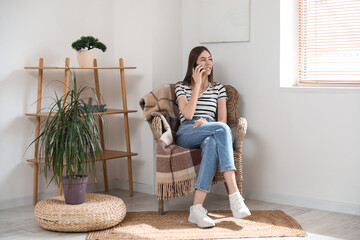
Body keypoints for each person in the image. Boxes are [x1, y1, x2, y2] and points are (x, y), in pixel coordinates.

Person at [175, 46, 251, 228]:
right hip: (187, 130)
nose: (208, 63)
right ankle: (234, 196)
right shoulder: (181, 87)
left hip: (211, 129)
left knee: (211, 142)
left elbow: (223, 123)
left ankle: (196, 209)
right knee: (219, 131)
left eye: (209, 58)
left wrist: (208, 124)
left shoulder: (219, 89)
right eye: (202, 59)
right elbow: (187, 114)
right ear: (194, 64)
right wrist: (196, 85)